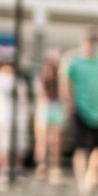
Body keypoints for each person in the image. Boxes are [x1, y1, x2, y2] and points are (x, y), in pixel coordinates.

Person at [62, 30, 98, 194]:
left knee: (97, 149)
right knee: (81, 148)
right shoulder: (74, 61)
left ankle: (91, 176)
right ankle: (82, 182)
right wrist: (69, 102)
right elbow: (65, 81)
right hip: (82, 110)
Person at [0, 54, 29, 187]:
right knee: (3, 145)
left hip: (19, 117)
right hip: (3, 116)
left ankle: (17, 170)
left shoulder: (19, 80)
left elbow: (24, 100)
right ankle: (4, 172)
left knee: (19, 146)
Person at [33, 51, 65, 183]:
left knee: (55, 140)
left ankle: (54, 167)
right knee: (43, 139)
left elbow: (63, 93)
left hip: (55, 107)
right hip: (45, 107)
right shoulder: (41, 78)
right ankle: (42, 165)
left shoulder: (59, 78)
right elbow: (40, 95)